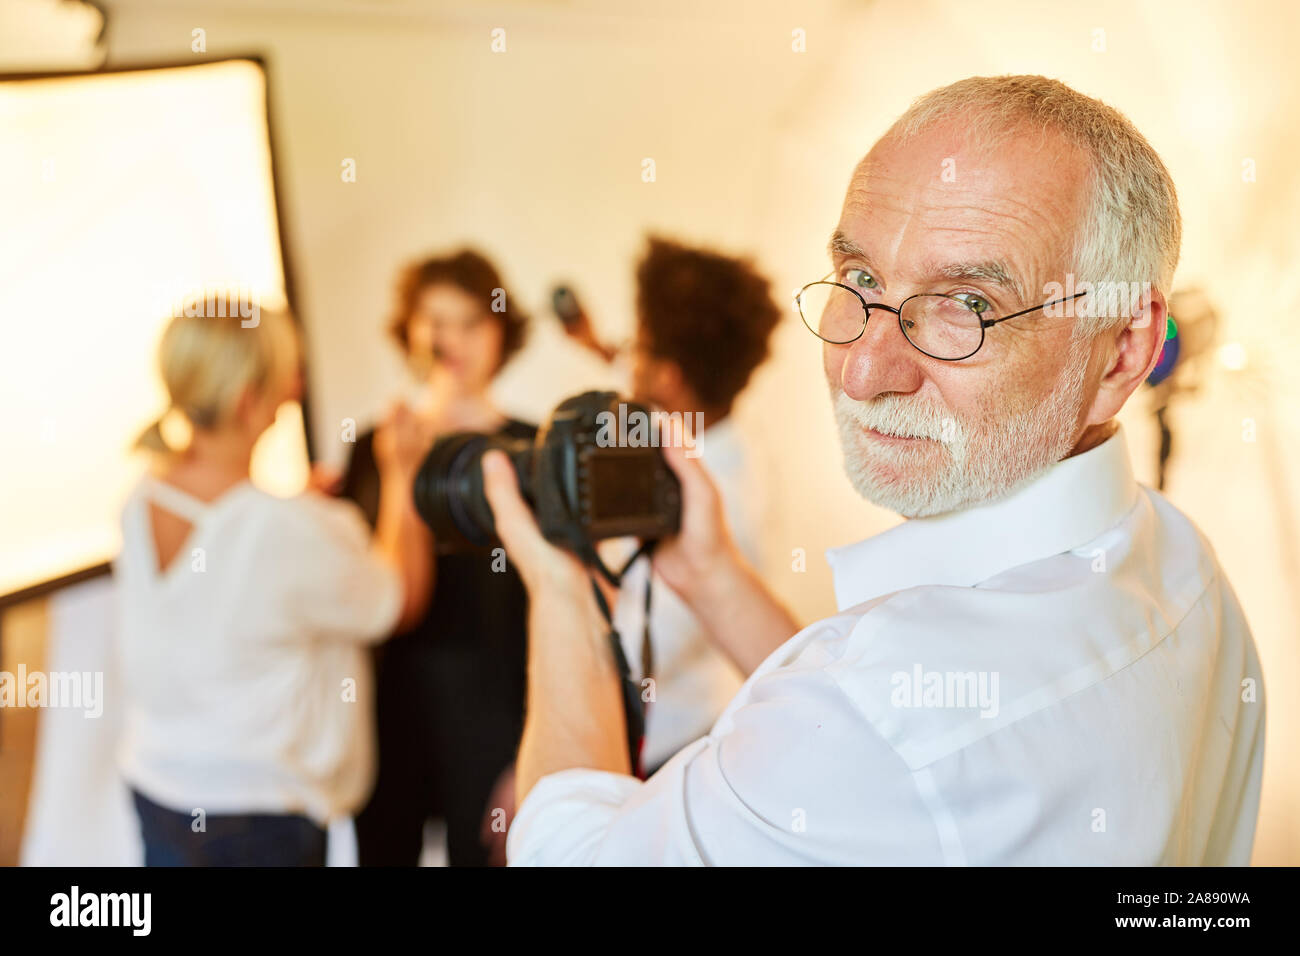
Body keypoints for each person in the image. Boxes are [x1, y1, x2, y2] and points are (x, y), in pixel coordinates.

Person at [485, 75, 1266, 865]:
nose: (862, 373)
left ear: (1124, 350)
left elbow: (565, 854)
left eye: (967, 303)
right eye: (860, 280)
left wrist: (561, 585)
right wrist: (714, 574)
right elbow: (892, 753)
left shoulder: (876, 721)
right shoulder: (1182, 563)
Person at [116, 305, 428, 866]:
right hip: (254, 820)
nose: (296, 388)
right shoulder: (284, 529)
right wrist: (403, 471)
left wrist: (299, 517)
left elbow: (233, 564)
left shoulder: (141, 498)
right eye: (290, 375)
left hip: (158, 788)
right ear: (246, 401)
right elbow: (396, 598)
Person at [344, 248, 533, 867]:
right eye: (435, 320)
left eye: (471, 321)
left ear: (500, 333)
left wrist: (529, 750)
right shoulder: (372, 446)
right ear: (409, 331)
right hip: (391, 710)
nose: (451, 339)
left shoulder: (532, 449)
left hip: (495, 713)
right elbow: (362, 584)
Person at [608, 236, 782, 774]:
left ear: (668, 376)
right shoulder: (712, 437)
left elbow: (638, 654)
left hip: (666, 744)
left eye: (638, 348)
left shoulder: (720, 499)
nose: (626, 361)